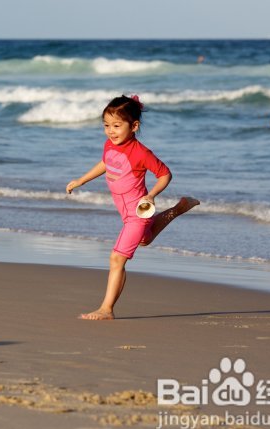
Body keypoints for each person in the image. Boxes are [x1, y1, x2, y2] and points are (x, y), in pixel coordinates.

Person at [66, 95, 199, 320]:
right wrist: (82, 180)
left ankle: (106, 309)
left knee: (117, 258)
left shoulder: (141, 152)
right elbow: (106, 162)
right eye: (106, 125)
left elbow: (165, 174)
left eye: (117, 126)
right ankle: (180, 207)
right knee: (144, 240)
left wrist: (152, 194)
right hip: (126, 212)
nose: (111, 131)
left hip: (138, 211)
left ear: (134, 126)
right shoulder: (110, 144)